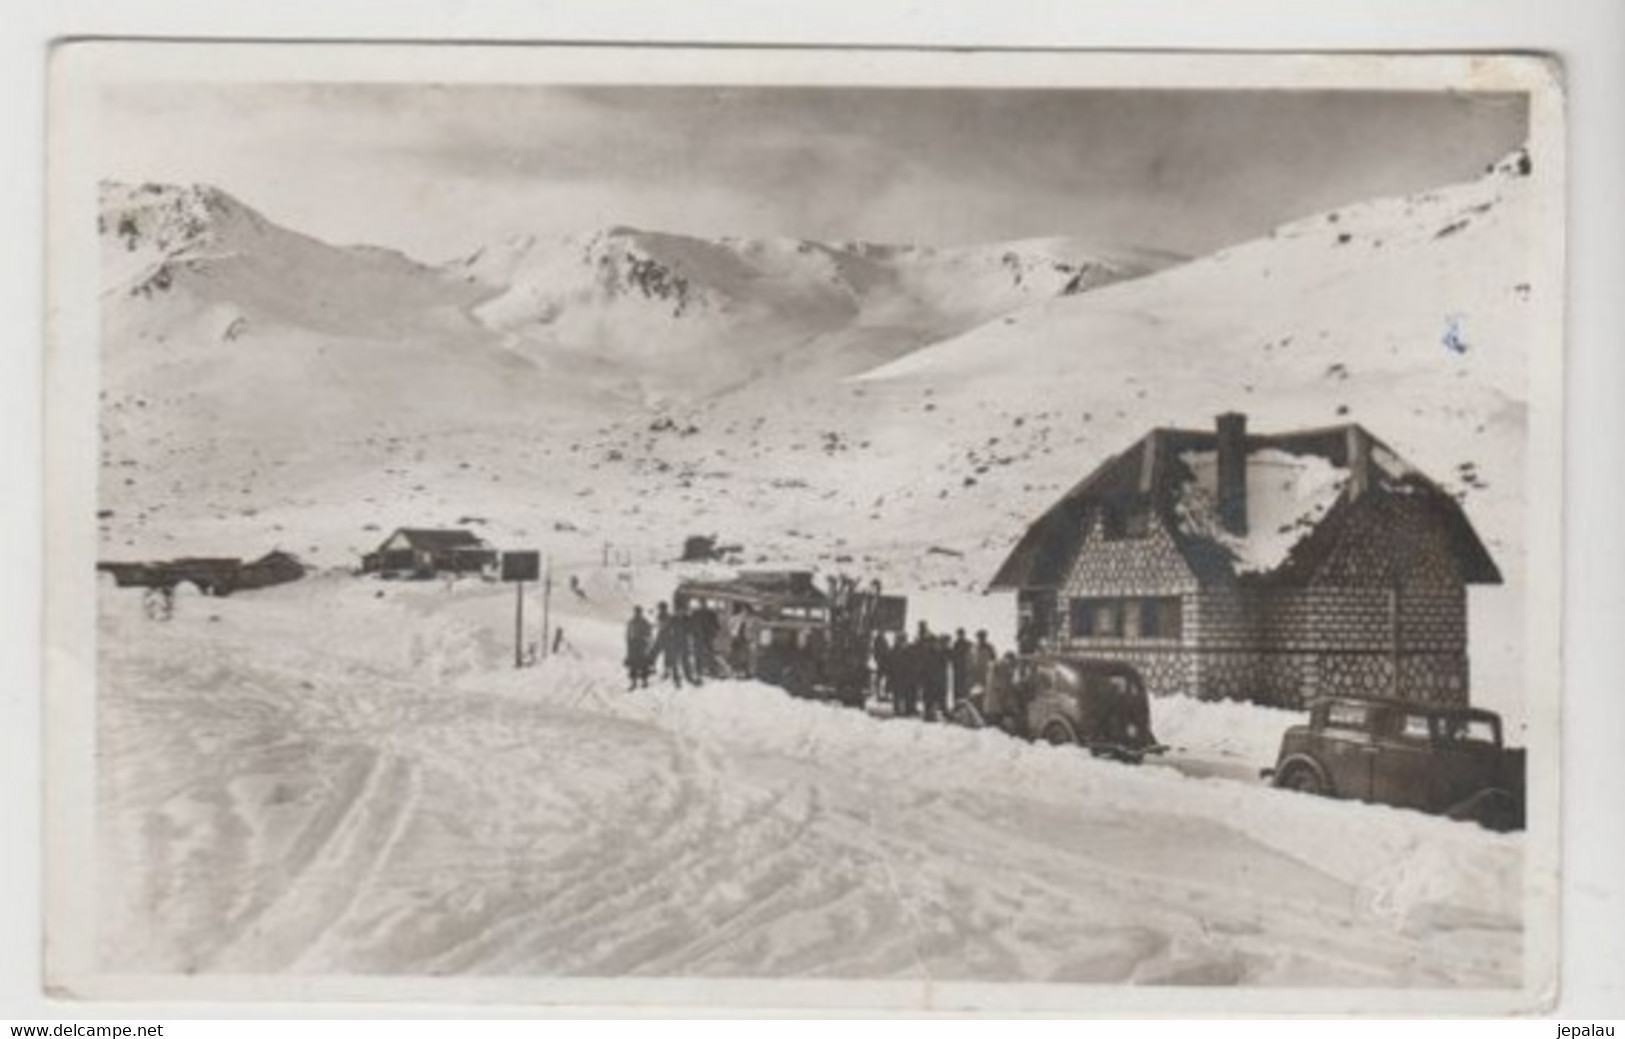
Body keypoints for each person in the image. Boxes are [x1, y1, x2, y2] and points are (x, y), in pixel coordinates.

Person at [921, 635, 950, 722]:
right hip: (929, 679)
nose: (933, 644)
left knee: (938, 696)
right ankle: (929, 714)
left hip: (938, 679)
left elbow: (944, 664)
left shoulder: (939, 652)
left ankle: (934, 713)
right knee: (929, 697)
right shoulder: (927, 653)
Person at [889, 630, 917, 717]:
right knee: (898, 694)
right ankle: (898, 709)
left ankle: (909, 709)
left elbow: (911, 661)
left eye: (904, 639)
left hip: (906, 676)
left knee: (907, 693)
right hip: (898, 676)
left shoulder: (907, 649)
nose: (903, 641)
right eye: (901, 639)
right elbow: (891, 663)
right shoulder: (894, 650)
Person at [950, 628, 973, 708]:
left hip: (966, 670)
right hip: (957, 670)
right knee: (957, 689)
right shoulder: (956, 644)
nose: (960, 636)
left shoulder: (968, 644)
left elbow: (971, 657)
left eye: (961, 634)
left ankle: (966, 706)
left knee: (965, 689)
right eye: (959, 634)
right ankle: (957, 706)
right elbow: (952, 657)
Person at [971, 630, 998, 695]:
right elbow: (972, 659)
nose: (981, 638)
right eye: (979, 637)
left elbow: (993, 658)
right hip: (977, 671)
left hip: (987, 670)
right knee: (977, 688)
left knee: (987, 688)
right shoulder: (974, 647)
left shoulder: (989, 647)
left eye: (982, 637)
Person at [870, 631, 892, 701]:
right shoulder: (879, 640)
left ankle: (881, 694)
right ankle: (881, 694)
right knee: (882, 678)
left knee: (881, 678)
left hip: (883, 662)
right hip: (883, 662)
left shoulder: (879, 639)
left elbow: (875, 651)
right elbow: (876, 651)